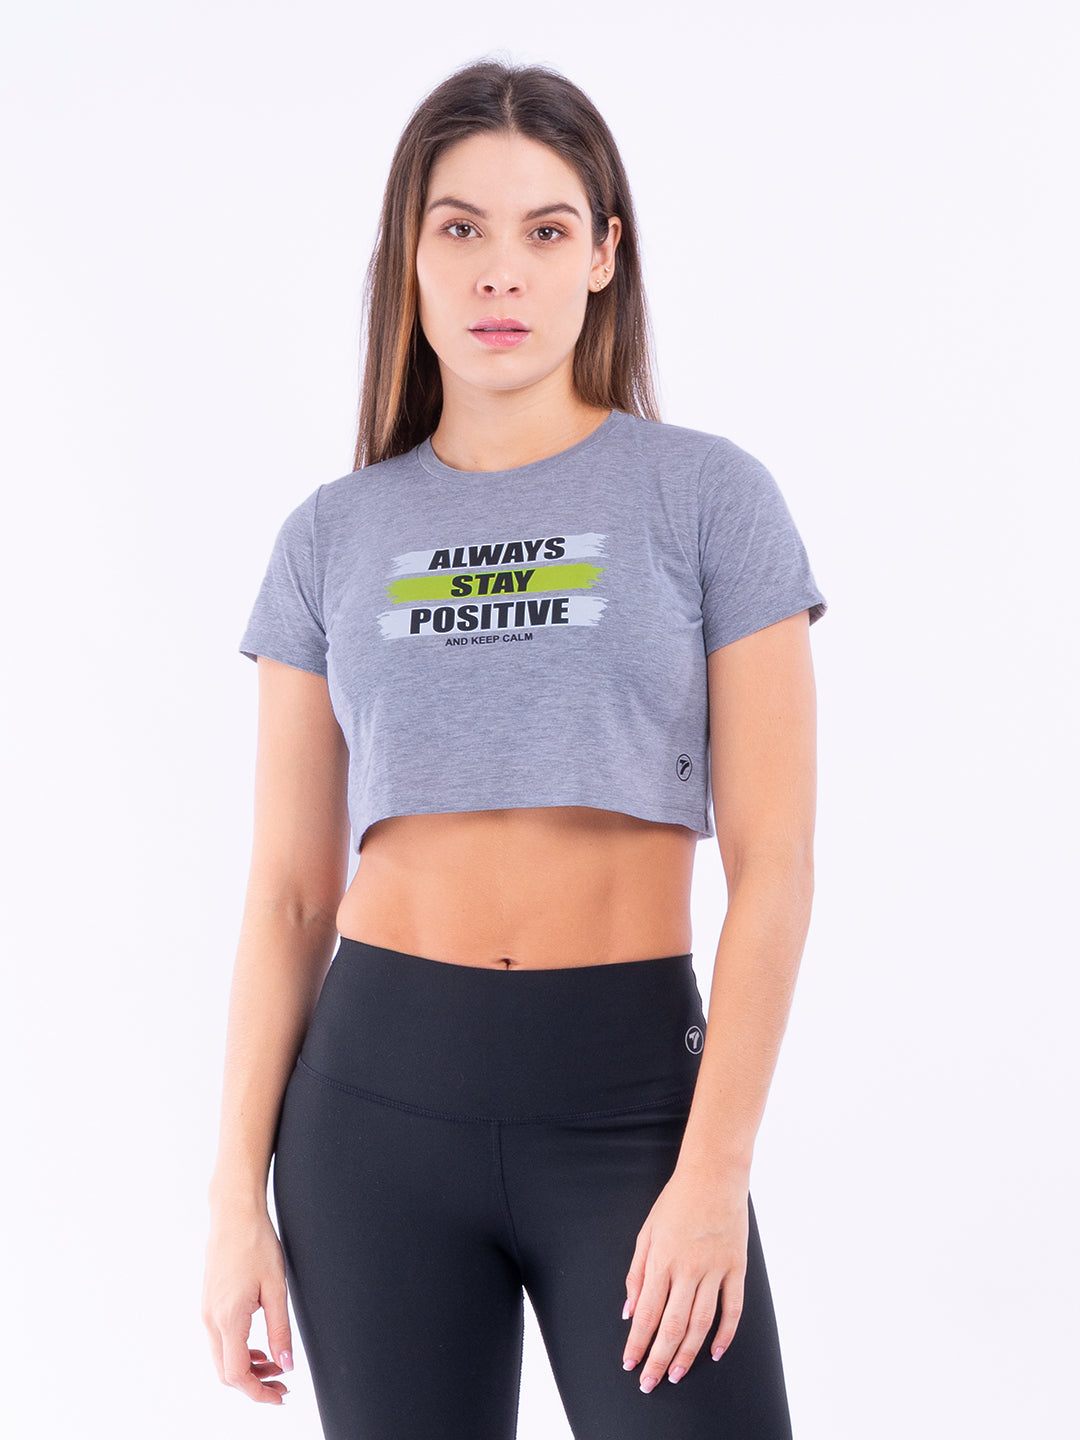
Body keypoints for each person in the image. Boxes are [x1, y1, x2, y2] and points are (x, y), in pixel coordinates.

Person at [201, 56, 828, 1440]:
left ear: (603, 256)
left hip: (632, 1113)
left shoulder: (708, 499)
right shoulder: (330, 535)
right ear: (410, 257)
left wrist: (714, 1171)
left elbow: (776, 867)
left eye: (546, 230)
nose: (502, 271)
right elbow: (290, 895)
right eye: (461, 228)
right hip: (372, 1114)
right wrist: (235, 1198)